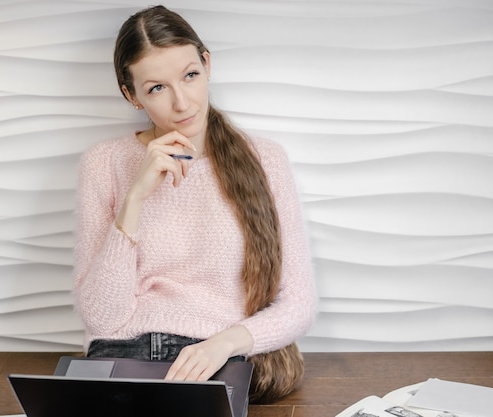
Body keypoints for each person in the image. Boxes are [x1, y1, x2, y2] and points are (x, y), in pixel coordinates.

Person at [72, 4, 316, 403]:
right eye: (156, 88)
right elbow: (101, 317)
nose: (182, 103)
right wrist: (135, 198)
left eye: (189, 76)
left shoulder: (265, 160)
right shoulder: (105, 163)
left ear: (206, 64)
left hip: (216, 360)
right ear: (131, 95)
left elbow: (298, 304)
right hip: (121, 355)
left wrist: (226, 343)